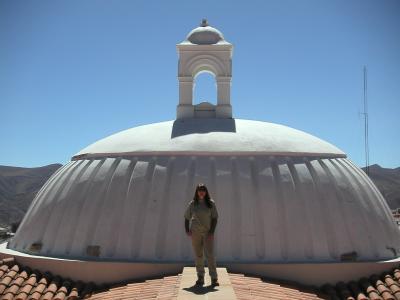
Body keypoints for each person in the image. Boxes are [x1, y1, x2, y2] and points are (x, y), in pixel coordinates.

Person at [184, 183, 219, 286]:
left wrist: (212, 231)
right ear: (197, 191)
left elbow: (215, 218)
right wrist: (187, 230)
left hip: (207, 233)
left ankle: (214, 278)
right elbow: (186, 217)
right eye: (199, 190)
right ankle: (200, 277)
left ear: (206, 191)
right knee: (198, 254)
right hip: (195, 233)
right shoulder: (193, 204)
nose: (201, 192)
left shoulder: (210, 203)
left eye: (203, 190)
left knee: (210, 255)